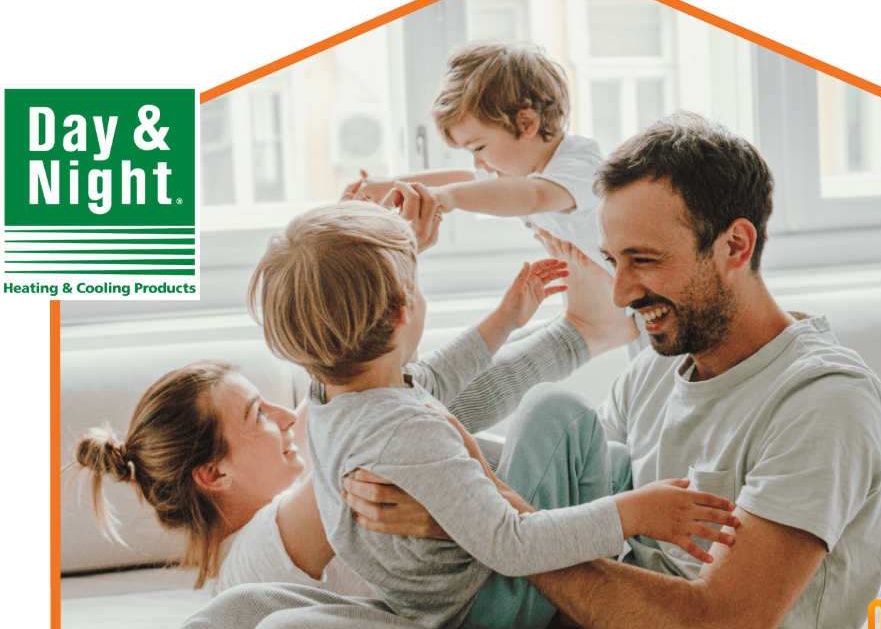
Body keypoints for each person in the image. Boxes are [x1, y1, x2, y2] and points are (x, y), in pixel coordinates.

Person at [120, 113, 881, 629]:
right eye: (611, 257)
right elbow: (556, 481)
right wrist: (452, 484)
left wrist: (473, 517)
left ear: (736, 244)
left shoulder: (821, 401)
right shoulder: (666, 363)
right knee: (253, 615)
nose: (620, 292)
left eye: (644, 260)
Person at [72, 183, 632, 597]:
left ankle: (584, 335)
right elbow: (378, 398)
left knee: (424, 397)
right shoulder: (249, 566)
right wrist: (374, 273)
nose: (285, 416)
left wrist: (368, 264)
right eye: (257, 416)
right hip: (504, 592)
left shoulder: (327, 445)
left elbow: (388, 385)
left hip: (506, 552)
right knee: (440, 409)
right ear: (214, 474)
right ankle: (583, 335)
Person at [246, 197, 737, 629]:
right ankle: (603, 569)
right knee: (556, 414)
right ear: (401, 312)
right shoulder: (408, 433)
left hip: (440, 605)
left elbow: (429, 378)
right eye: (416, 287)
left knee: (603, 458)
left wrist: (506, 319)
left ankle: (625, 492)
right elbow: (510, 544)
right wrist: (638, 512)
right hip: (491, 604)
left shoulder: (334, 401)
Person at [345, 41, 641, 354]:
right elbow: (469, 180)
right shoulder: (524, 169)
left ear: (526, 123)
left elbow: (533, 197)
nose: (477, 163)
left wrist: (447, 197)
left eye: (478, 148)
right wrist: (391, 184)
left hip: (652, 301)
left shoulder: (579, 164)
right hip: (623, 307)